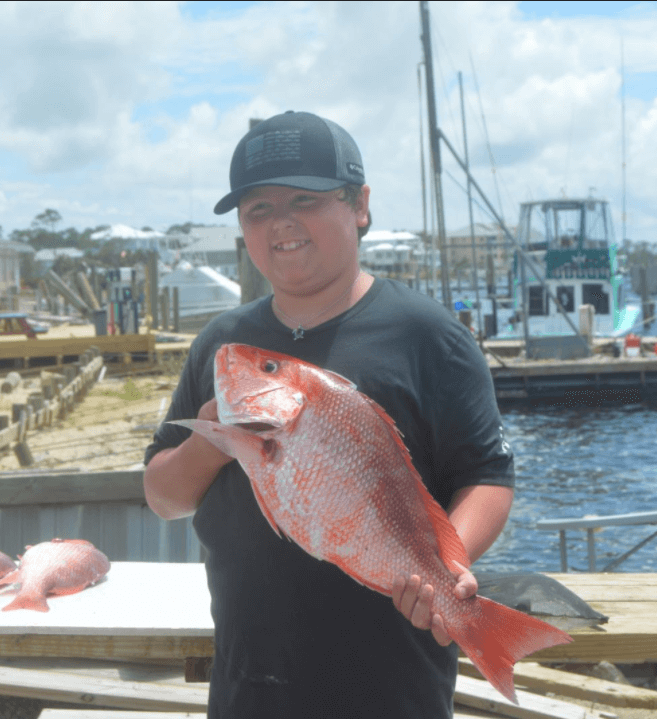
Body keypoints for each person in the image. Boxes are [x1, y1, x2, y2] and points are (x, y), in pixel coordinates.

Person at [144, 110, 514, 718]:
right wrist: (217, 433)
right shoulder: (222, 344)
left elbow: (489, 477)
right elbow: (163, 497)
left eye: (304, 199)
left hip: (395, 689)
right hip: (247, 686)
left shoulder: (430, 335)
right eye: (257, 209)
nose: (281, 222)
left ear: (360, 205)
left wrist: (446, 568)